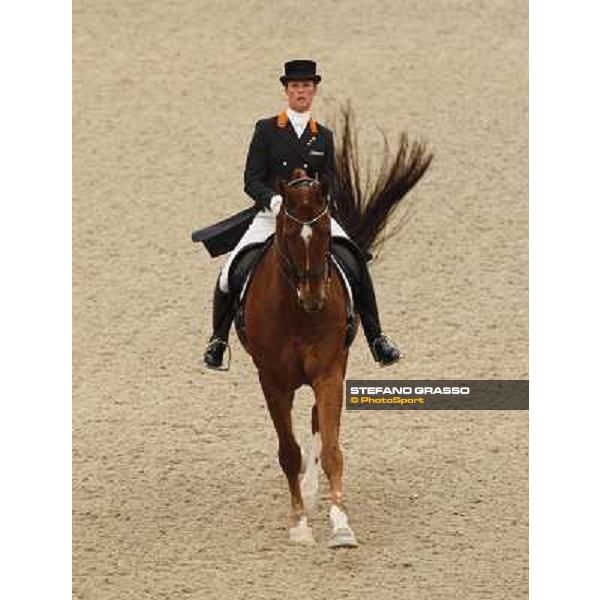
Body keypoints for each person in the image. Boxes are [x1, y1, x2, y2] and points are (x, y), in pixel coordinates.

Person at [203, 59, 402, 369]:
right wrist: (273, 201)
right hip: (274, 214)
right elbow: (251, 179)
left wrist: (322, 205)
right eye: (295, 86)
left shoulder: (323, 136)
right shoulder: (267, 130)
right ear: (286, 90)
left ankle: (377, 338)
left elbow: (332, 181)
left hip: (315, 216)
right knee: (231, 271)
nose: (300, 91)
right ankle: (218, 339)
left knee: (356, 262)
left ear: (314, 91)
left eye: (306, 86)